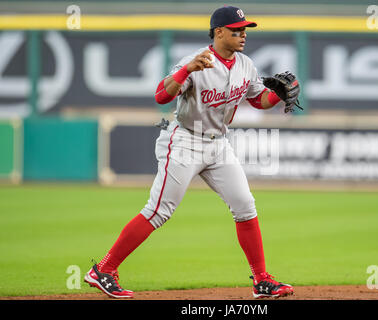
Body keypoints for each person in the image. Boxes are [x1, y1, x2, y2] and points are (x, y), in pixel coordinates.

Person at [84, 5, 299, 299]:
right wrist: (187, 70)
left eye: (245, 29)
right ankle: (104, 270)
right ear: (219, 32)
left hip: (218, 144)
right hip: (185, 140)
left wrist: (277, 94)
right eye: (236, 30)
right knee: (159, 211)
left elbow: (259, 100)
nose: (243, 34)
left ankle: (262, 281)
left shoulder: (246, 64)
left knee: (245, 206)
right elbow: (161, 95)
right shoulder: (195, 61)